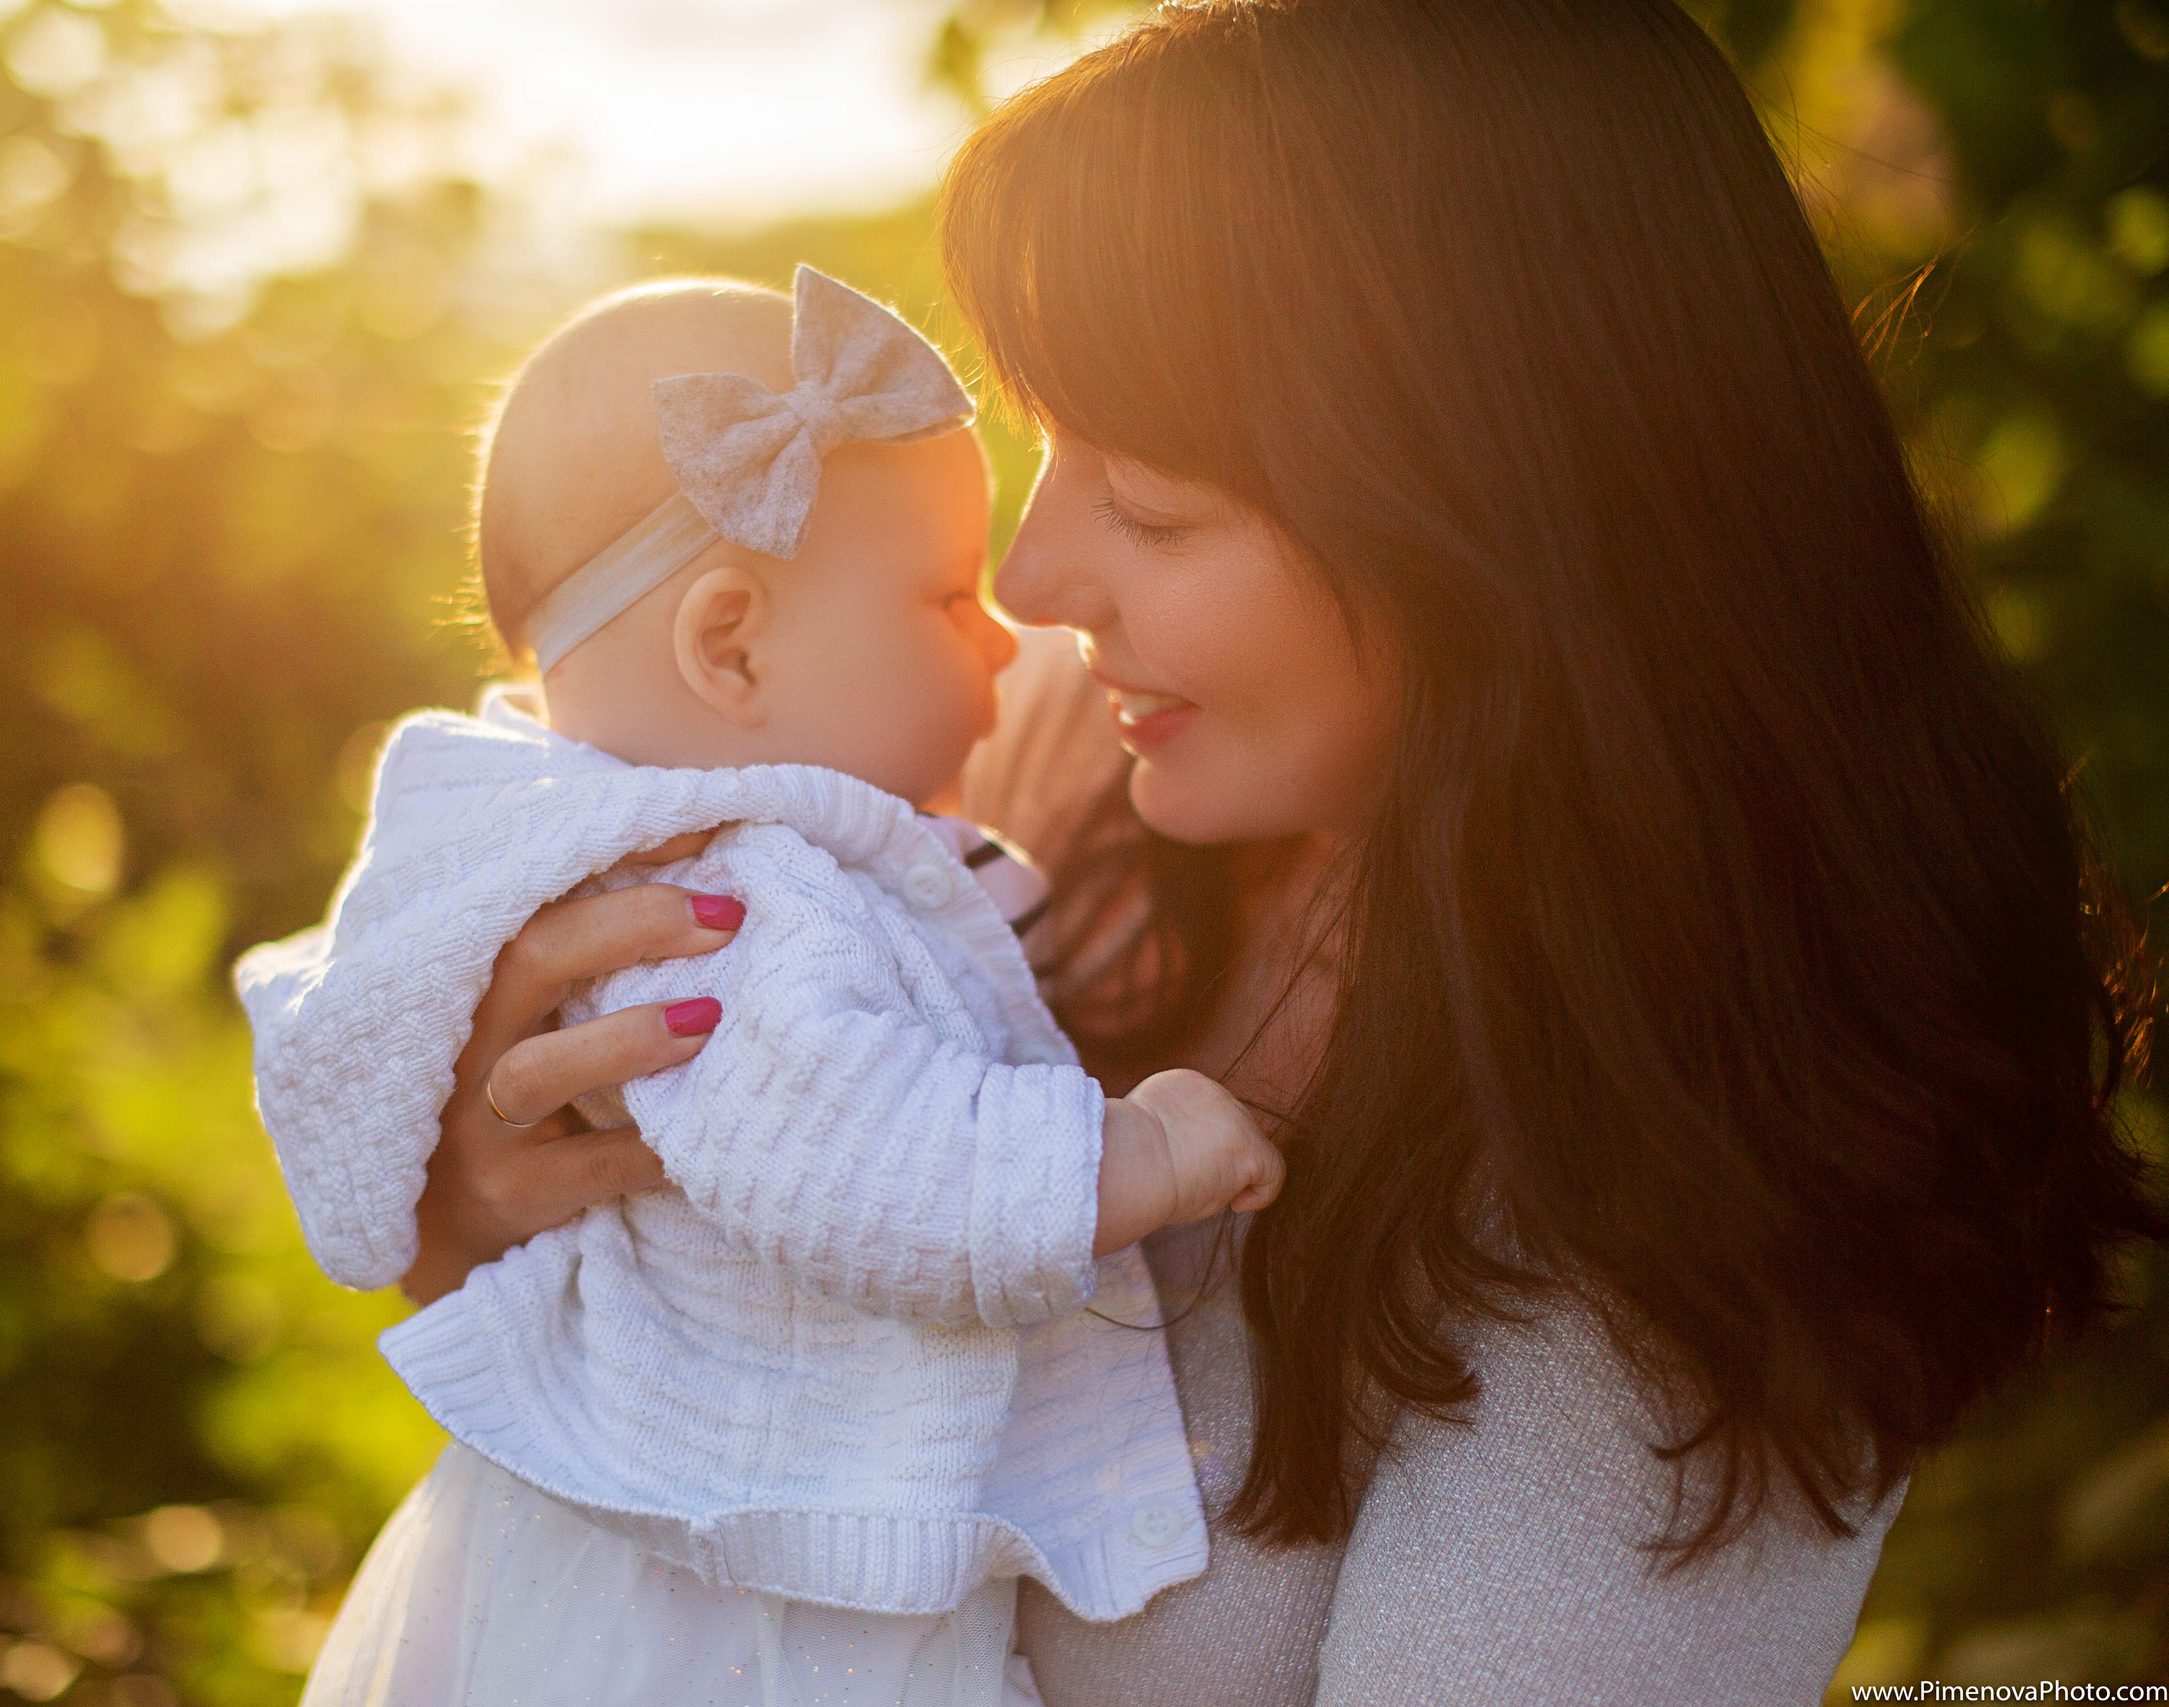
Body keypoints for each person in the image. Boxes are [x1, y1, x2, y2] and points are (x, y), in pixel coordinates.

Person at [393, 3, 2163, 1702]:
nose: (1030, 584)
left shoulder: (1689, 1204)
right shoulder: (1062, 768)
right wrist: (488, 1207)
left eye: (1155, 505)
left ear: (1498, 517)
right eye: (1051, 445)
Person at [237, 266, 1283, 1706]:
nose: (1011, 633)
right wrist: (1140, 1154)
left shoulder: (677, 843)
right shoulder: (727, 892)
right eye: (947, 597)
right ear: (733, 645)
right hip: (740, 1612)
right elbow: (865, 1162)